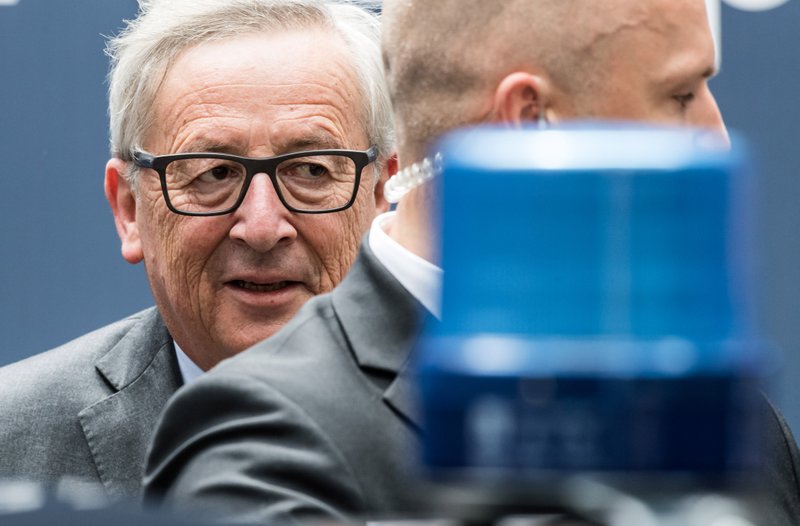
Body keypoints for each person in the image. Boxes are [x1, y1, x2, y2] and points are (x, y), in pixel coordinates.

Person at [144, 0, 800, 524]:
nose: (714, 134)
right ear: (531, 123)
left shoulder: (730, 421)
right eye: (680, 94)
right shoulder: (269, 442)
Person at [0, 0, 393, 501]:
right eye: (213, 173)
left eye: (311, 169)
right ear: (129, 209)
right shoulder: (9, 442)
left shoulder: (485, 424)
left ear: (382, 194)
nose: (262, 227)